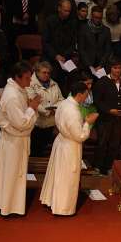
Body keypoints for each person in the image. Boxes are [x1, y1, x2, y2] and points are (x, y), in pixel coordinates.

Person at [0, 61, 41, 216]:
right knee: (10, 173)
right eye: (27, 78)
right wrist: (32, 108)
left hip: (15, 140)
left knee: (10, 172)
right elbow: (21, 123)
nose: (30, 81)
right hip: (12, 141)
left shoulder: (18, 89)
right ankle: (7, 206)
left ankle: (5, 203)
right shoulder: (11, 96)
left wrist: (29, 106)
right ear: (17, 77)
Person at [39, 81, 97, 215]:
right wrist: (88, 123)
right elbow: (80, 136)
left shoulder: (64, 103)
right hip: (70, 146)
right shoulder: (73, 111)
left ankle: (53, 201)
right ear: (79, 94)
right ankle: (63, 208)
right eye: (86, 95)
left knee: (58, 175)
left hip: (61, 141)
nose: (87, 98)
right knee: (67, 177)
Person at [92, 56, 121, 174]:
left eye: (119, 68)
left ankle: (108, 167)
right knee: (102, 143)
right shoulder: (102, 82)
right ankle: (97, 167)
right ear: (110, 68)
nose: (117, 70)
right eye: (115, 68)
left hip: (120, 119)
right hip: (105, 119)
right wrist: (109, 110)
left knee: (115, 144)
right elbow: (97, 101)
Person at [27, 61, 64, 156]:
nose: (47, 75)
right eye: (44, 72)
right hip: (36, 122)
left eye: (48, 73)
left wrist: (54, 109)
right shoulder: (30, 83)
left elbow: (61, 99)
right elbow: (32, 100)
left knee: (43, 147)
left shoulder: (54, 84)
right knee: (33, 149)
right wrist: (46, 111)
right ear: (37, 72)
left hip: (50, 122)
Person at [41, 0, 76, 85]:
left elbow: (73, 43)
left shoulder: (72, 23)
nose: (67, 13)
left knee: (74, 75)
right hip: (51, 56)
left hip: (65, 58)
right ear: (59, 8)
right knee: (52, 74)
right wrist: (56, 55)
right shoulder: (50, 21)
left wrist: (65, 55)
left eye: (69, 11)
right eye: (65, 10)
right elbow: (45, 42)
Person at [78, 6, 112, 73]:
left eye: (100, 18)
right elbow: (81, 49)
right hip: (86, 64)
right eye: (96, 17)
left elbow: (108, 50)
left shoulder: (106, 30)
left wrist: (101, 65)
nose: (98, 20)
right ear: (91, 16)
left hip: (101, 65)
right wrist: (89, 65)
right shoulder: (83, 29)